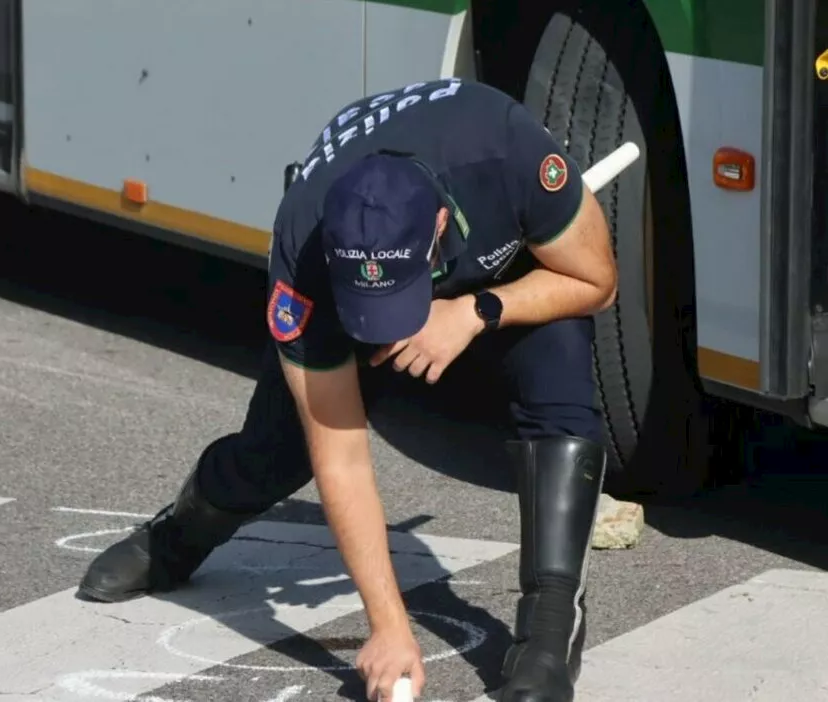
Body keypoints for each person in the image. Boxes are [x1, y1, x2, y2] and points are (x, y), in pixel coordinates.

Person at [78, 77, 618, 702]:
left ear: (440, 224)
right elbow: (340, 455)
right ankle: (175, 538)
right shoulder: (303, 245)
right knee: (276, 453)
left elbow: (598, 280)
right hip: (377, 281)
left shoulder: (504, 150)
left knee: (560, 380)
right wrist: (388, 630)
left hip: (499, 285)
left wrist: (475, 312)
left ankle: (551, 630)